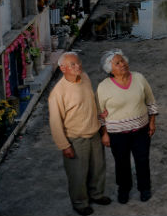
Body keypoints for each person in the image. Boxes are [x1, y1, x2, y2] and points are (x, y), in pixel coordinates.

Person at [48, 52, 110, 216]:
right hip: (75, 139)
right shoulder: (58, 93)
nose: (78, 67)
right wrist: (64, 145)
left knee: (98, 168)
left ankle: (96, 195)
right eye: (72, 65)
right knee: (78, 174)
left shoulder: (85, 77)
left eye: (78, 63)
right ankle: (80, 203)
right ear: (63, 69)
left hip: (94, 132)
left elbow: (92, 100)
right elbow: (55, 122)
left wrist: (99, 115)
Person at [97, 49, 158, 204]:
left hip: (141, 130)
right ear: (109, 69)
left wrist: (152, 122)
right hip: (117, 134)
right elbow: (100, 113)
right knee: (121, 163)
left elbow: (150, 101)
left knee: (142, 160)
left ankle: (145, 188)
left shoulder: (139, 78)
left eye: (122, 60)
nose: (122, 64)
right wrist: (104, 133)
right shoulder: (103, 87)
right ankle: (124, 189)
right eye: (117, 63)